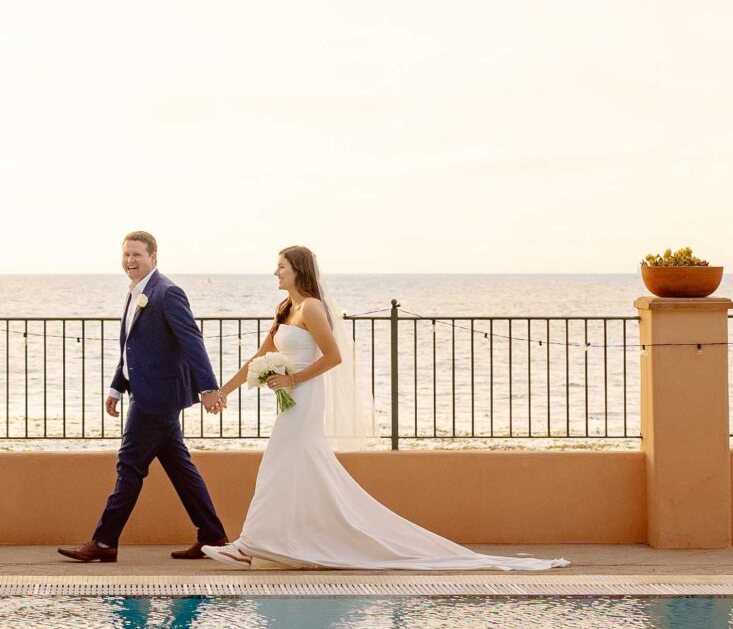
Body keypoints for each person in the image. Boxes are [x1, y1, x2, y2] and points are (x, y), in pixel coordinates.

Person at [206, 247, 567, 572]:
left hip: (305, 398)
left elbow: (334, 357)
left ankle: (249, 546)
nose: (276, 273)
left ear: (298, 270)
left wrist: (293, 380)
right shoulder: (286, 308)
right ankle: (284, 542)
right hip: (292, 401)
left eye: (281, 266)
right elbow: (260, 356)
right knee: (295, 470)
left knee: (277, 467)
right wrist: (224, 391)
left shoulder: (313, 308)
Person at [59, 231, 230, 563]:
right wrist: (116, 387)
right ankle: (214, 536)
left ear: (154, 257)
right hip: (145, 393)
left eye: (137, 254)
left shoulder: (167, 293)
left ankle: (105, 542)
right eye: (126, 255)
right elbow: (131, 347)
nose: (130, 261)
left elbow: (192, 342)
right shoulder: (136, 292)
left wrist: (209, 388)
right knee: (180, 468)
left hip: (157, 399)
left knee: (129, 466)